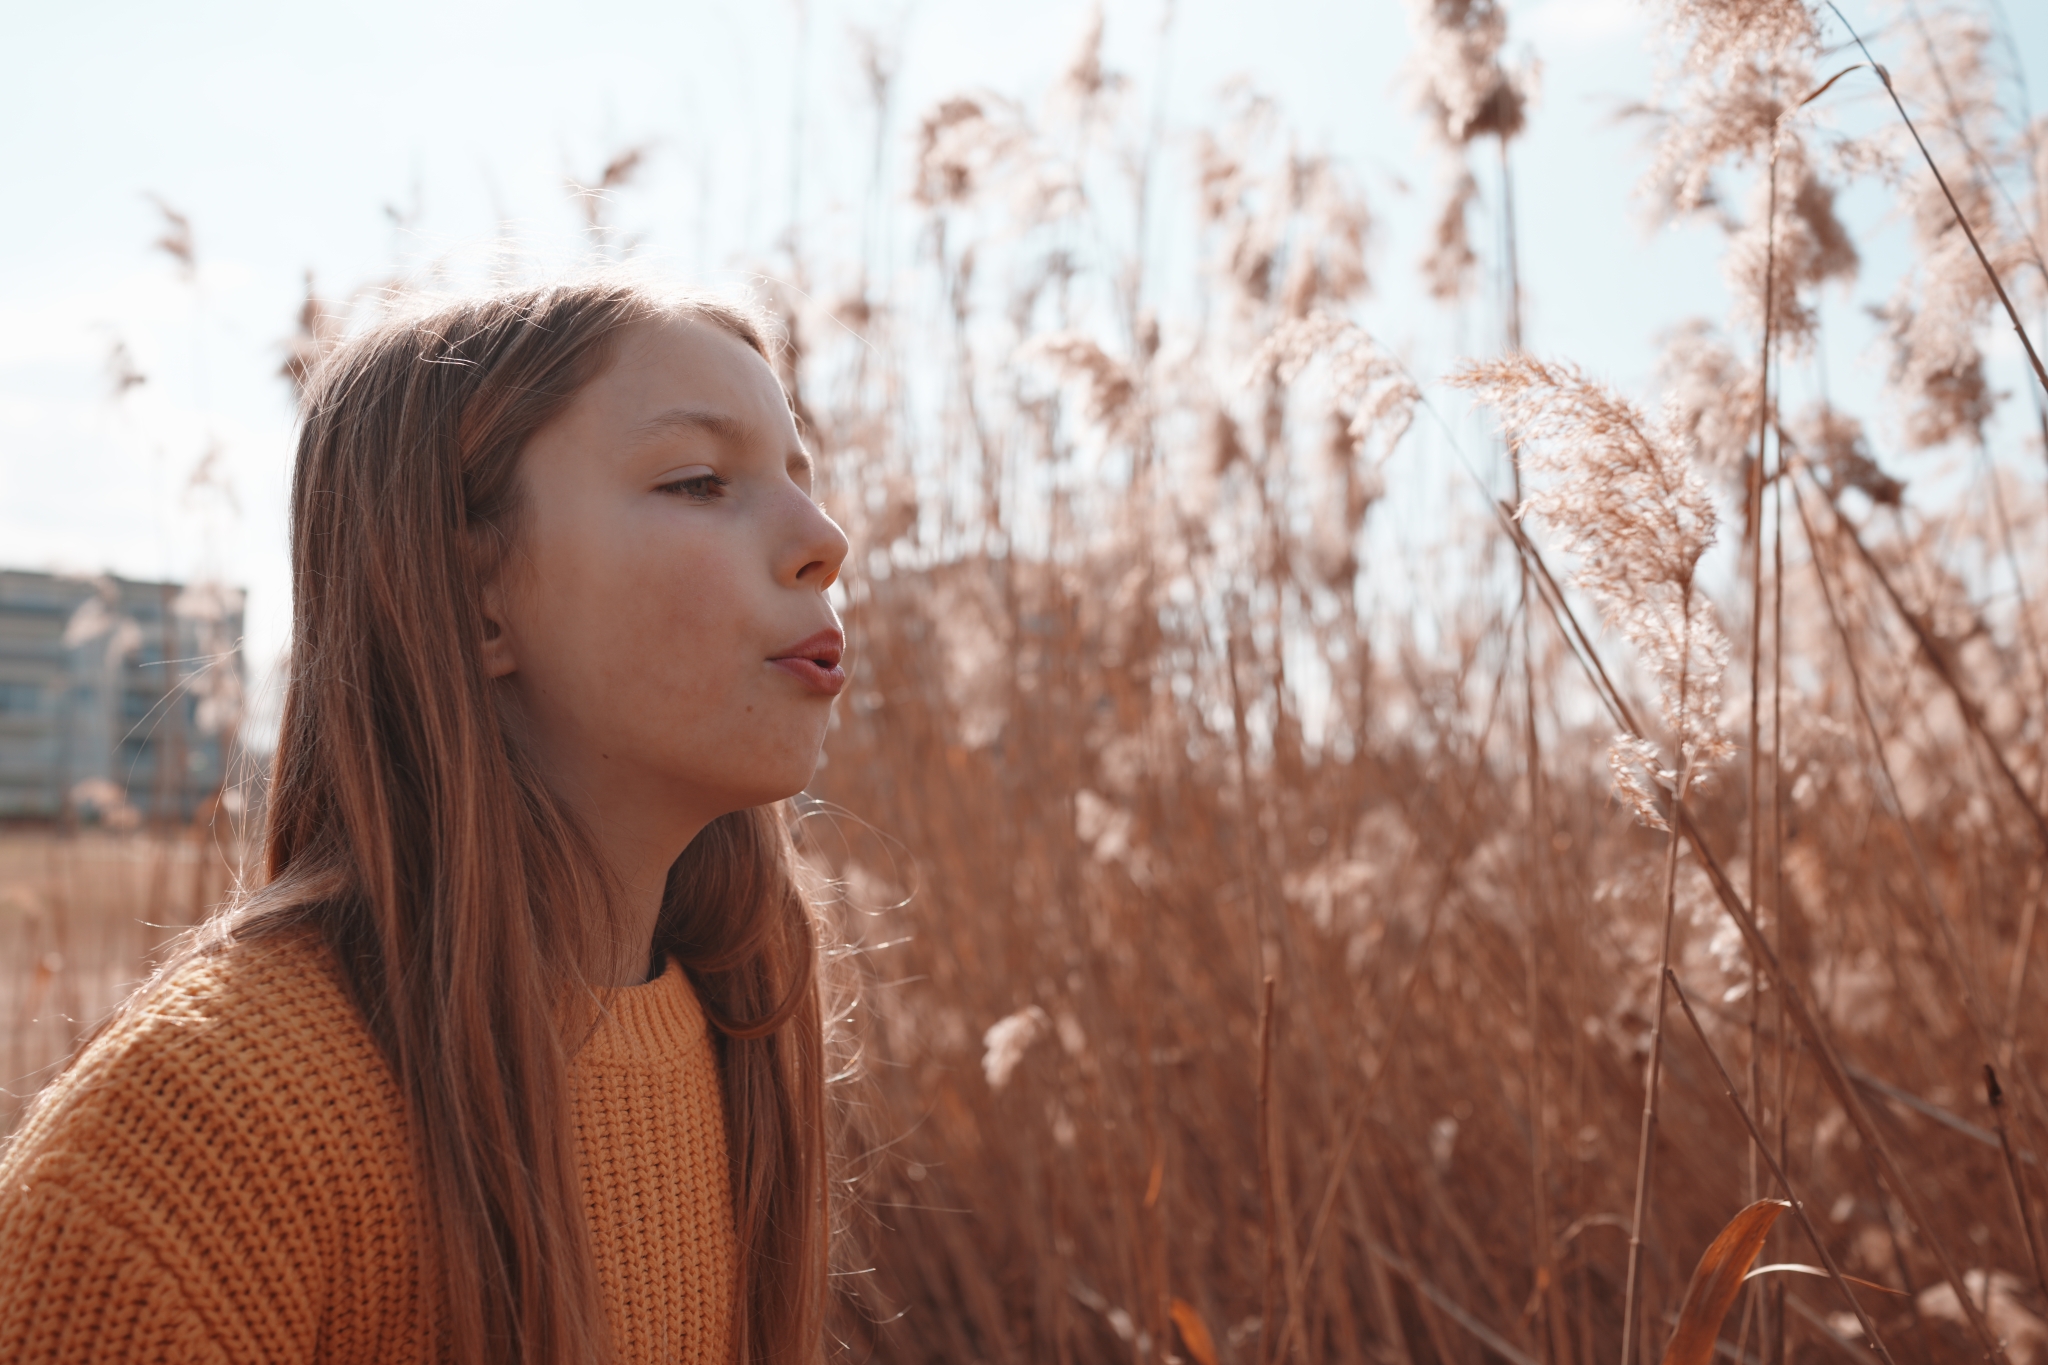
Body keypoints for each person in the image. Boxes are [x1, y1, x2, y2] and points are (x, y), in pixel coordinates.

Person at [0, 278, 851, 1365]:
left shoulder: (741, 1041)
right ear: (473, 594)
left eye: (799, 478)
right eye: (697, 481)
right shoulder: (203, 1135)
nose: (823, 540)